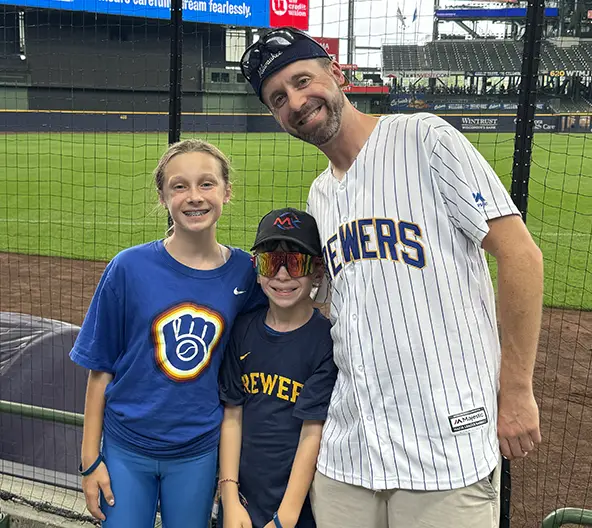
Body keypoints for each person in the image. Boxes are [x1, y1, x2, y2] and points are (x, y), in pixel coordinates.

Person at [239, 28, 544, 528]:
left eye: (302, 80)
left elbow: (520, 256)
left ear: (336, 74)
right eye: (278, 98)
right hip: (348, 454)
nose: (296, 101)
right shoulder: (320, 196)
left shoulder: (426, 139)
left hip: (443, 449)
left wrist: (515, 389)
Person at [70, 139, 266, 528]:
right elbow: (100, 369)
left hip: (196, 450)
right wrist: (90, 460)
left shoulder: (247, 273)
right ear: (162, 196)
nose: (194, 197)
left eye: (206, 184)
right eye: (179, 186)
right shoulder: (128, 267)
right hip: (127, 446)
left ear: (227, 191)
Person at [218, 207, 337, 528]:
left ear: (317, 271)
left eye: (296, 263)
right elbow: (232, 414)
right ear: (257, 270)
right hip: (241, 501)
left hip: (295, 509)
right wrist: (229, 498)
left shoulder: (325, 341)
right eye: (272, 263)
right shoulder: (241, 331)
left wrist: (285, 515)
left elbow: (312, 432)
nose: (282, 276)